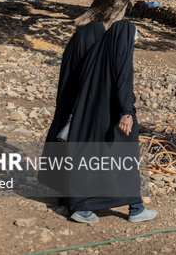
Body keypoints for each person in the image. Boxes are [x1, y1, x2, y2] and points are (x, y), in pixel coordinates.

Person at [57, 20, 155, 224]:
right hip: (115, 119)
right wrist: (127, 112)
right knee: (125, 160)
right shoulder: (120, 56)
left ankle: (82, 206)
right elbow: (123, 83)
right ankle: (135, 208)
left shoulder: (95, 56)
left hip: (91, 120)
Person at [39, 21, 105, 194]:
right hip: (78, 111)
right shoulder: (90, 55)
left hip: (64, 105)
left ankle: (59, 188)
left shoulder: (74, 48)